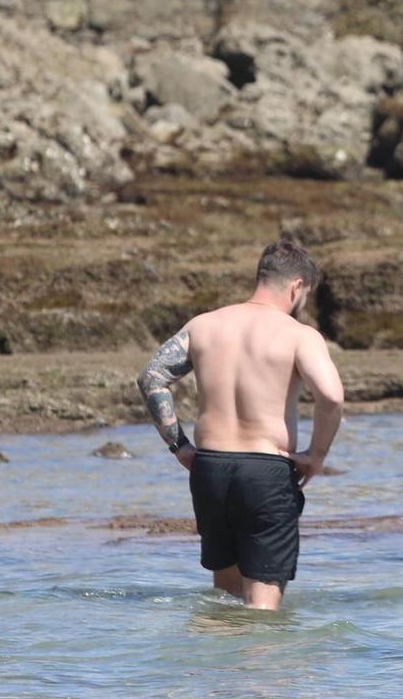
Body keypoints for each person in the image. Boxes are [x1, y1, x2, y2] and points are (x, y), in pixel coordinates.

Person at [135, 234, 345, 611]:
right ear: (297, 287)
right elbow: (331, 396)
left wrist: (179, 445)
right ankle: (262, 670)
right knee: (261, 611)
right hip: (265, 472)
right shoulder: (299, 335)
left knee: (225, 604)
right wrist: (315, 454)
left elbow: (151, 377)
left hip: (210, 470)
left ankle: (219, 672)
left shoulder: (204, 326)